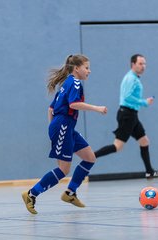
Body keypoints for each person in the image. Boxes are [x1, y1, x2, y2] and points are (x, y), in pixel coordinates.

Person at [22, 54, 108, 214]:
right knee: (63, 169)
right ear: (77, 68)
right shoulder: (74, 83)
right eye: (86, 67)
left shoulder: (66, 83)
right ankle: (31, 194)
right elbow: (74, 104)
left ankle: (70, 193)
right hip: (63, 126)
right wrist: (97, 108)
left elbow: (50, 109)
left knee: (90, 158)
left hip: (65, 127)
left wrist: (53, 128)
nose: (89, 71)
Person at [94, 54, 158, 179]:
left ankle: (149, 171)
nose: (143, 66)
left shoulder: (135, 78)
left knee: (144, 141)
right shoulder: (130, 79)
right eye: (140, 64)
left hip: (132, 115)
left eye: (144, 64)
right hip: (127, 115)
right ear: (133, 64)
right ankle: (91, 156)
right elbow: (127, 97)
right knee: (117, 146)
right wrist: (144, 102)